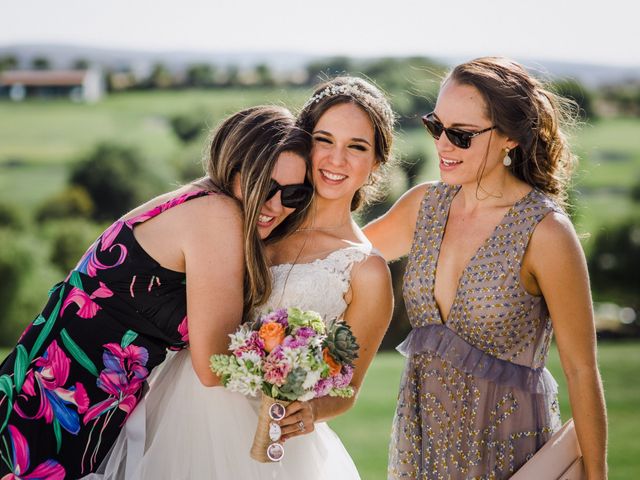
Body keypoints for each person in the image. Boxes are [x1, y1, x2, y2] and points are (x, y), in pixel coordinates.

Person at [92, 76, 395, 480]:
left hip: (273, 442)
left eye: (356, 147)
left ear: (376, 162)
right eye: (325, 140)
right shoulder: (254, 219)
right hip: (185, 406)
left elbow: (346, 388)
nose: (336, 159)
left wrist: (310, 410)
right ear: (305, 143)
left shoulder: (366, 271)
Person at [0, 105, 313, 479]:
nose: (275, 205)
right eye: (266, 186)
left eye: (294, 194)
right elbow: (214, 365)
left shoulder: (199, 201)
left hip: (63, 403)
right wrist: (293, 360)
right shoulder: (218, 215)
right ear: (232, 168)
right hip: (47, 413)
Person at [364, 57, 607, 479]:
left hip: (510, 460)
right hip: (420, 456)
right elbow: (342, 259)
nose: (441, 145)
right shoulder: (424, 206)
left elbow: (582, 370)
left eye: (461, 135)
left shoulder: (546, 233)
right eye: (436, 127)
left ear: (510, 137)